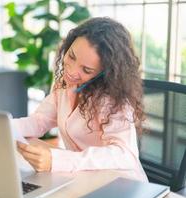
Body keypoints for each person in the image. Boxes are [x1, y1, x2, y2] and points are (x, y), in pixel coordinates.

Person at [12, 17, 148, 181]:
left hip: (120, 185)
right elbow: (40, 121)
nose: (71, 71)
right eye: (71, 56)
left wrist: (58, 160)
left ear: (105, 73)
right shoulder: (66, 85)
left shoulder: (114, 99)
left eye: (86, 69)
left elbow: (123, 154)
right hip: (81, 179)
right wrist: (3, 126)